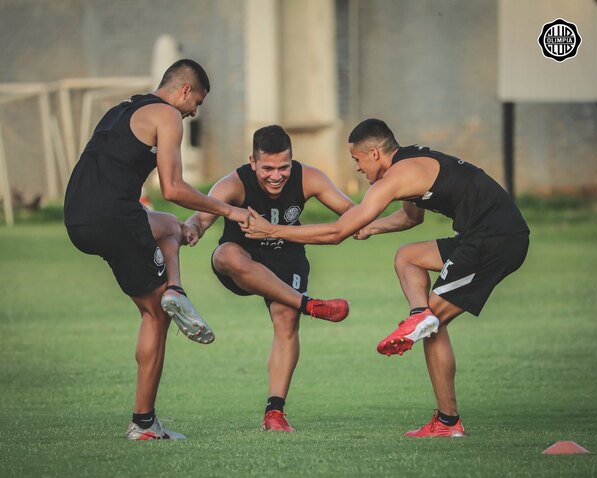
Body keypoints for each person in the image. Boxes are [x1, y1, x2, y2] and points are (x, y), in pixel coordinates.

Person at [244, 118, 530, 437]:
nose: (358, 168)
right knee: (408, 257)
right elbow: (412, 217)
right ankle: (419, 317)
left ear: (375, 154)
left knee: (435, 324)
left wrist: (271, 230)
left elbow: (338, 232)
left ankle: (447, 421)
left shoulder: (394, 178)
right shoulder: (411, 160)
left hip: (495, 239)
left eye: (357, 160)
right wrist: (371, 227)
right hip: (486, 235)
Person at [64, 59, 249, 440]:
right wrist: (228, 209)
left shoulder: (122, 108)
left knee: (168, 226)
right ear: (184, 90)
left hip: (76, 217)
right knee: (154, 316)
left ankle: (177, 290)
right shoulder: (168, 116)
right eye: (197, 102)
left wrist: (186, 225)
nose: (194, 111)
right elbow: (174, 187)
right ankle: (144, 424)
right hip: (115, 216)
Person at [184, 125, 353, 432]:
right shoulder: (233, 183)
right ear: (253, 162)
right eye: (268, 168)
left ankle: (274, 413)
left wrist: (385, 213)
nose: (276, 176)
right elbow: (201, 217)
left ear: (292, 161)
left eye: (283, 167)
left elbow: (353, 213)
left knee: (286, 318)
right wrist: (191, 229)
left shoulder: (310, 178)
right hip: (243, 263)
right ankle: (309, 304)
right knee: (224, 255)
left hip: (287, 257)